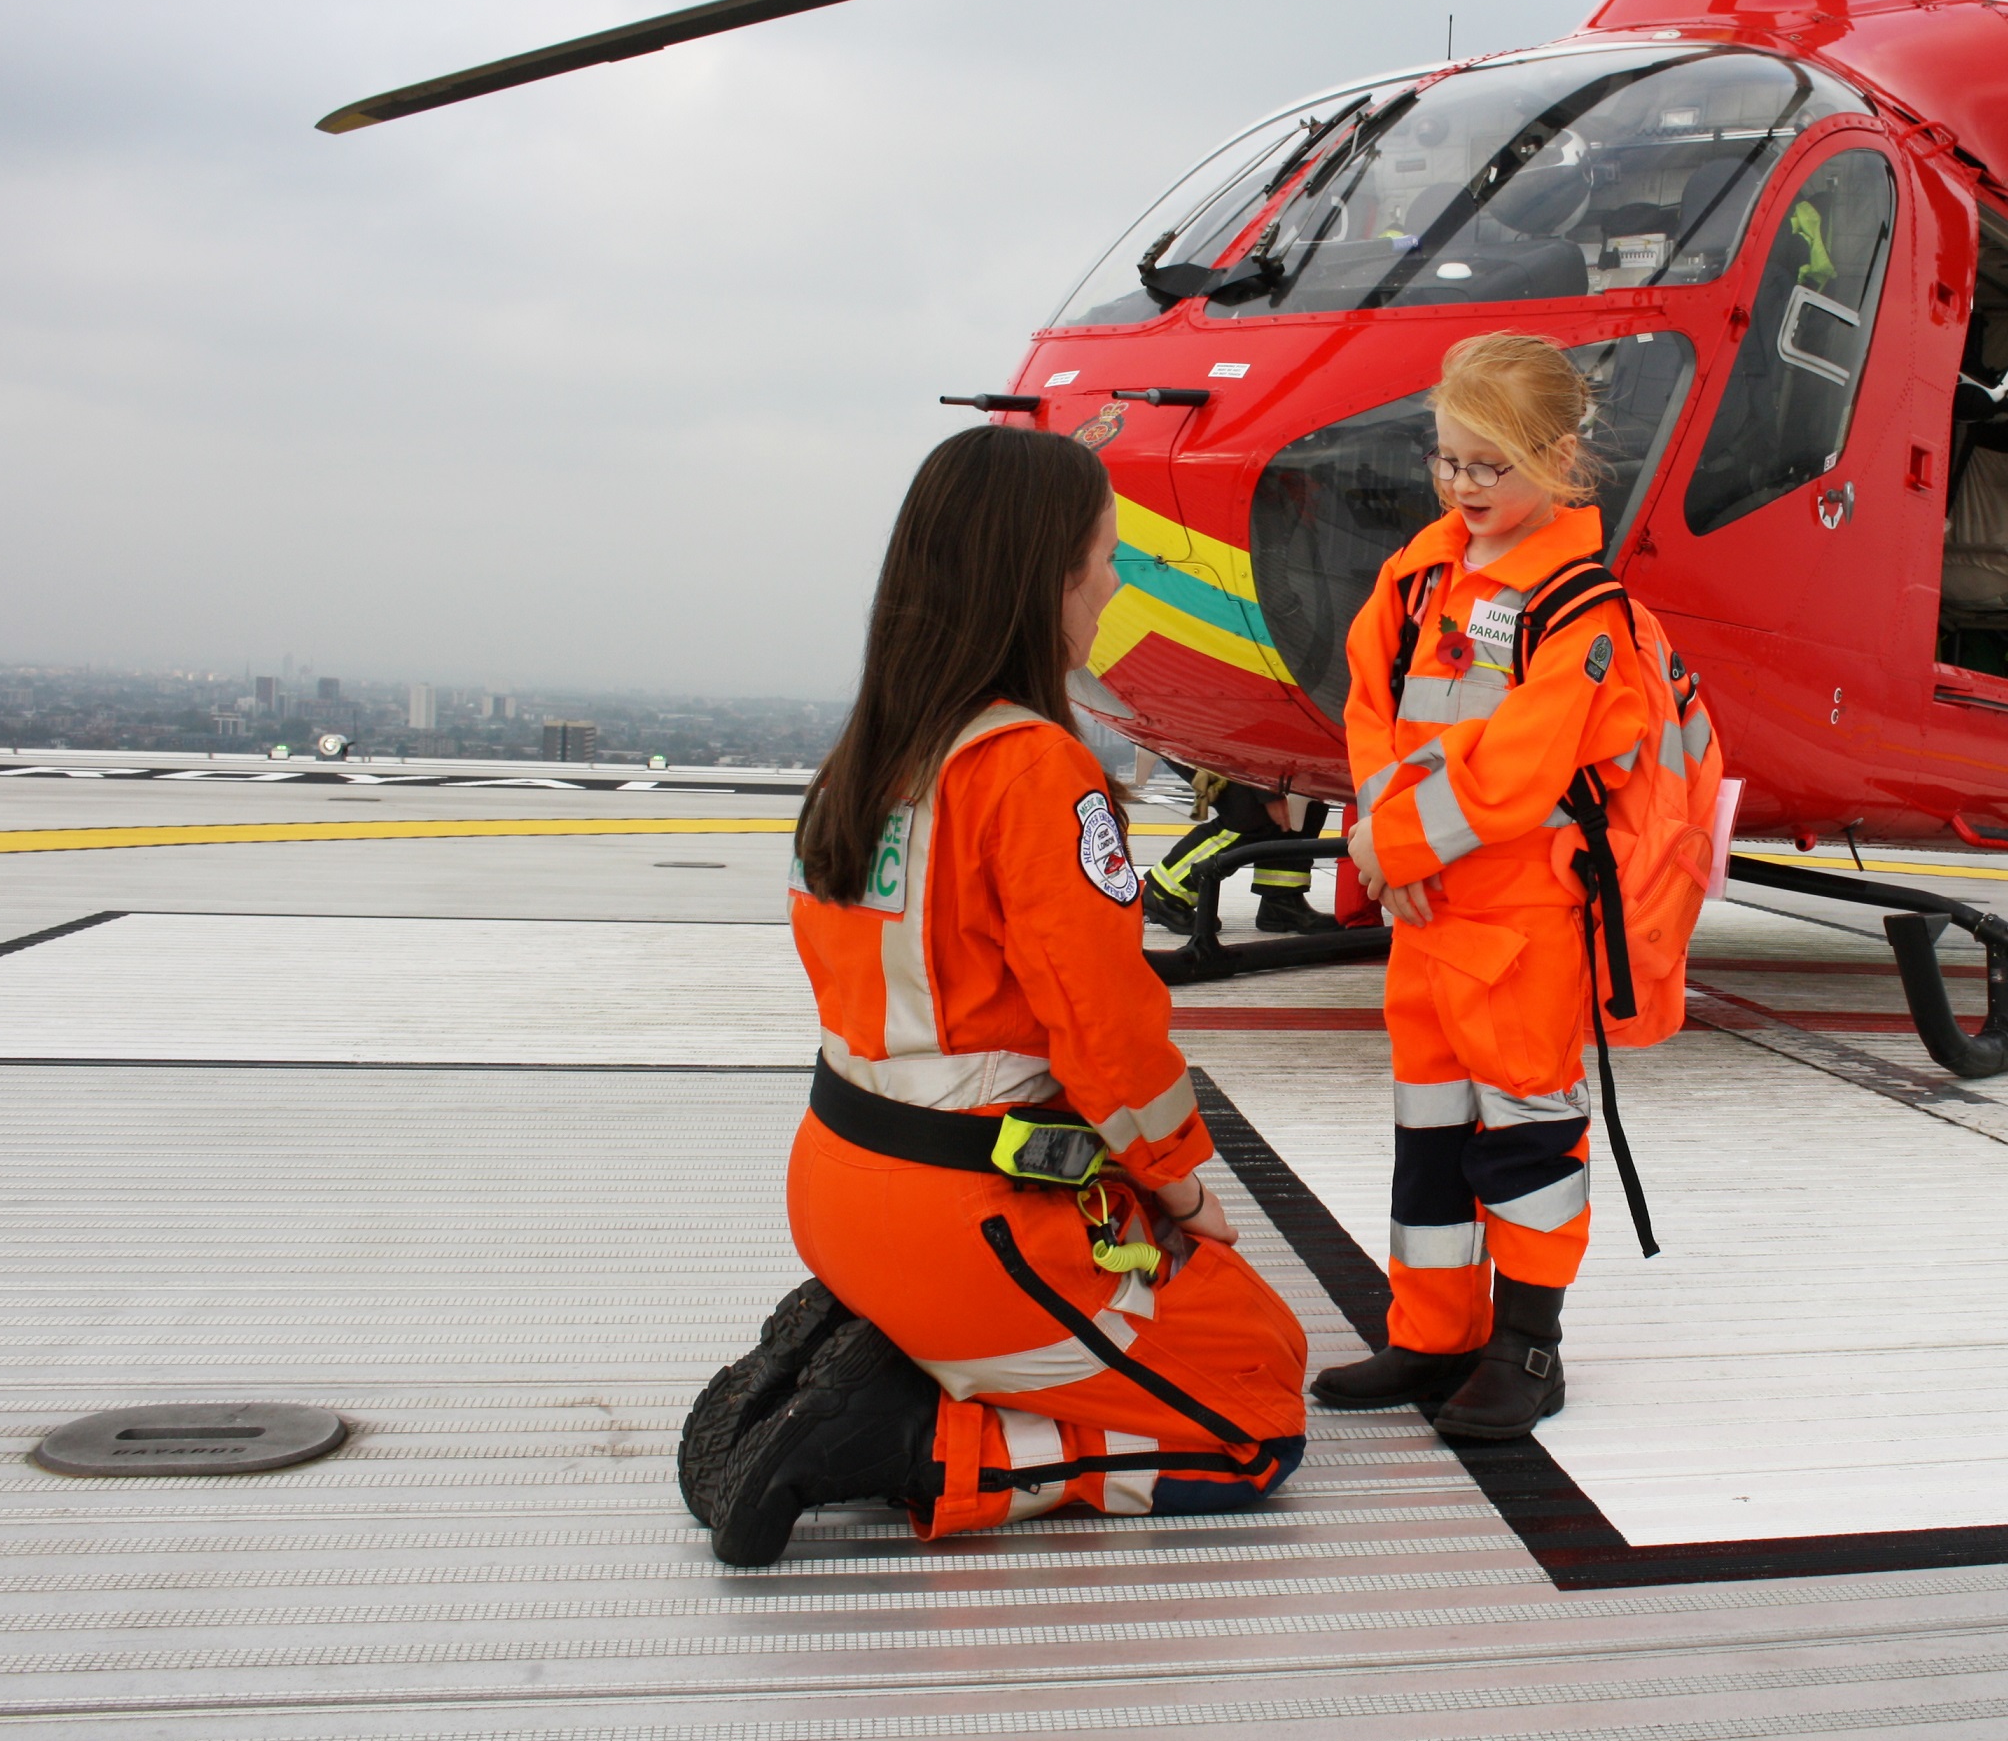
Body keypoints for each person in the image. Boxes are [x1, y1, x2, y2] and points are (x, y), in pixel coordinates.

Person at [693, 425, 1308, 1567]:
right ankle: (912, 1435)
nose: (1115, 581)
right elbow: (1103, 1027)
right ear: (1043, 578)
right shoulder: (1032, 769)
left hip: (844, 1185)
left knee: (1247, 1332)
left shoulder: (871, 762)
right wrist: (1180, 1193)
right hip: (973, 1219)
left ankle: (895, 1341)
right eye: (1102, 557)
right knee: (1258, 1412)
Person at [1313, 333, 1648, 1441]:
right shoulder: (1418, 575)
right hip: (1428, 912)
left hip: (1519, 918)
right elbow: (1370, 709)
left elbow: (1521, 770)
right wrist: (1384, 841)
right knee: (1431, 1133)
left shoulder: (1579, 605)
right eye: (1447, 461)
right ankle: (1432, 1331)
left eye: (1487, 465)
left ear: (1558, 460)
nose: (1462, 486)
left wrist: (1393, 849)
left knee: (1527, 1132)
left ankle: (1527, 1346)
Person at [1142, 770, 1342, 936]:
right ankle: (1165, 892)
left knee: (1307, 798)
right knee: (1250, 814)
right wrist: (1267, 791)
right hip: (1210, 736)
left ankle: (1282, 900)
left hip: (1268, 750)